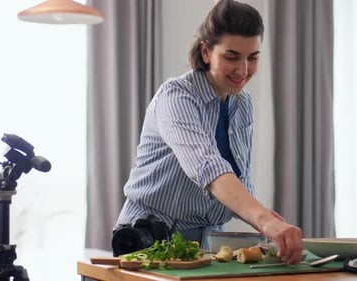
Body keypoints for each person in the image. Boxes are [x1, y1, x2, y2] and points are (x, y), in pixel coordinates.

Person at [114, 0, 303, 264]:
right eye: (231, 56)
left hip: (210, 243)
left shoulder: (242, 103)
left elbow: (240, 179)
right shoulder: (176, 97)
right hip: (150, 237)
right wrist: (264, 221)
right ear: (206, 52)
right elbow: (208, 167)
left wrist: (267, 219)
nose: (243, 70)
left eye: (253, 57)